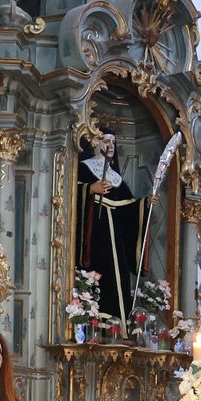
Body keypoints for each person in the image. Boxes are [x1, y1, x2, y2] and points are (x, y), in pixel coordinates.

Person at [77, 131, 153, 326]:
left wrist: (145, 203)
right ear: (94, 143)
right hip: (96, 235)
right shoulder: (84, 168)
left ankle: (119, 326)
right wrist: (90, 189)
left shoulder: (115, 176)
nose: (110, 144)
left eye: (113, 141)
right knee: (100, 275)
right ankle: (96, 324)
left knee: (119, 274)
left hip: (116, 237)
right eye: (106, 140)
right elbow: (70, 191)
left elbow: (129, 207)